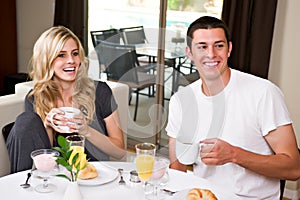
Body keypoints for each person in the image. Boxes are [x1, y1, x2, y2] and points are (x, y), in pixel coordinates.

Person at [166, 16, 300, 199]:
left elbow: (293, 168)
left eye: (218, 45)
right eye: (202, 46)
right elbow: (178, 167)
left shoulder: (264, 93)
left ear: (229, 49)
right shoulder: (181, 101)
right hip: (203, 196)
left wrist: (234, 155)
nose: (211, 54)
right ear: (189, 52)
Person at [6, 26, 126, 173]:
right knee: (25, 120)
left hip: (92, 173)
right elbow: (45, 155)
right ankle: (22, 187)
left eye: (75, 54)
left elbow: (120, 152)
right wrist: (48, 126)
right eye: (61, 55)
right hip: (55, 175)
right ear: (47, 60)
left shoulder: (100, 91)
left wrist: (86, 131)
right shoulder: (36, 97)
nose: (71, 60)